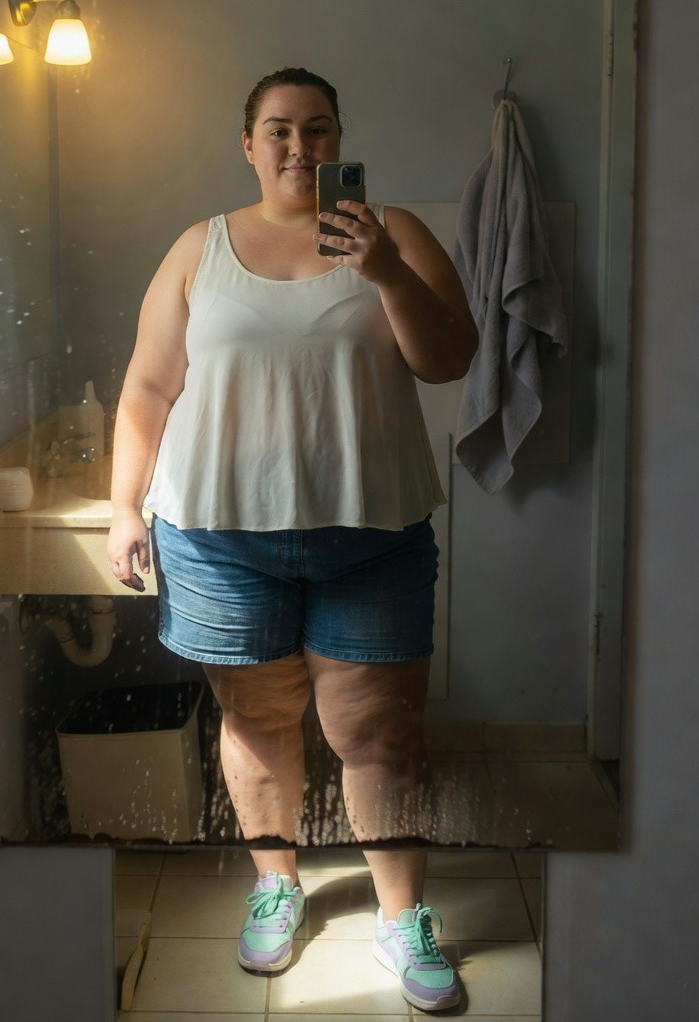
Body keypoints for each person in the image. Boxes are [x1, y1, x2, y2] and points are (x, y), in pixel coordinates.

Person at [108, 67, 478, 1013]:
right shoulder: (200, 247)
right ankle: (278, 884)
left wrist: (383, 270)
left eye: (317, 130)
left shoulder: (391, 234)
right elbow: (149, 387)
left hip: (372, 533)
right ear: (247, 144)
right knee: (257, 723)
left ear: (341, 138)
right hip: (220, 539)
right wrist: (123, 505)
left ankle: (401, 918)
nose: (298, 148)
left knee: (380, 737)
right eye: (277, 130)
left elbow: (449, 361)